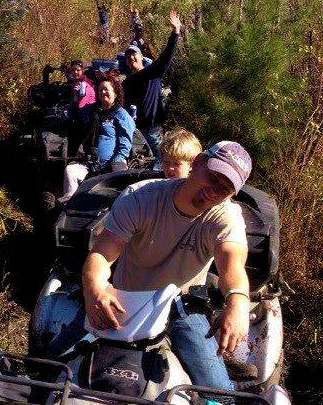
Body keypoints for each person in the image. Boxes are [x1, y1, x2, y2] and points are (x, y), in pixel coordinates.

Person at [82, 141, 253, 391]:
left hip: (180, 306)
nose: (215, 191)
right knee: (52, 367)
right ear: (196, 163)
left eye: (225, 188)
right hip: (124, 299)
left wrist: (238, 301)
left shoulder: (226, 217)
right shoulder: (140, 198)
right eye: (214, 177)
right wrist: (95, 286)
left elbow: (233, 264)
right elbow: (101, 254)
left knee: (217, 390)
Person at [122, 10, 181, 165]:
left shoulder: (152, 73)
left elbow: (167, 56)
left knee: (161, 160)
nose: (131, 58)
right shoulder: (126, 82)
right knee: (137, 162)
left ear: (141, 57)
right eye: (128, 57)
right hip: (134, 130)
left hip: (151, 128)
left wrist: (175, 32)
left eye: (134, 55)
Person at [63, 78, 135, 198]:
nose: (102, 92)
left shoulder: (121, 115)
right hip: (90, 163)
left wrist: (118, 159)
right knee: (70, 171)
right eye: (100, 89)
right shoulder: (92, 109)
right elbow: (76, 112)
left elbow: (125, 142)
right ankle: (68, 205)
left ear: (115, 93)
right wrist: (75, 99)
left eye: (106, 89)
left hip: (112, 163)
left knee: (122, 180)